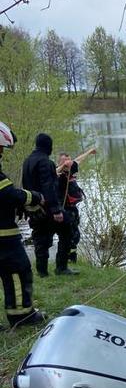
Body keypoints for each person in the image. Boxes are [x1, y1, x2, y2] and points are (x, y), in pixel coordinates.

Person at [0, 121, 47, 327]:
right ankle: (22, 315)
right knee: (18, 269)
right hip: (3, 237)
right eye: (1, 148)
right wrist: (33, 197)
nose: (2, 152)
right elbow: (8, 194)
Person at [21, 133, 76, 277]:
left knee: (40, 238)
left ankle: (42, 272)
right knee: (67, 229)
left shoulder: (27, 161)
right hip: (48, 208)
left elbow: (24, 185)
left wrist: (27, 207)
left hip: (33, 208)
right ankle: (61, 268)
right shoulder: (45, 162)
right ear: (48, 146)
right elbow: (48, 187)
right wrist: (56, 210)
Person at [57, 153, 85, 265]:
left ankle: (71, 258)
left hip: (73, 209)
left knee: (76, 235)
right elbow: (54, 172)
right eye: (64, 161)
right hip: (64, 209)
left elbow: (78, 160)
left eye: (69, 161)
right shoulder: (57, 174)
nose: (68, 163)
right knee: (68, 235)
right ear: (60, 162)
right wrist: (63, 166)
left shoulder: (71, 171)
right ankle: (67, 259)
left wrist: (89, 151)